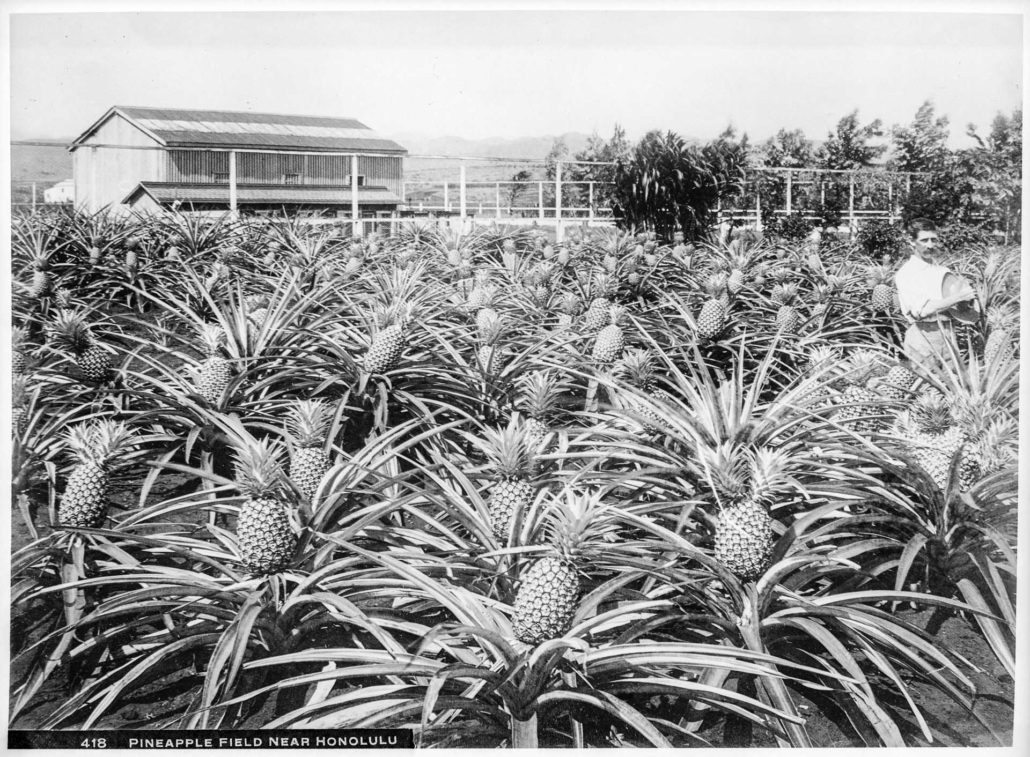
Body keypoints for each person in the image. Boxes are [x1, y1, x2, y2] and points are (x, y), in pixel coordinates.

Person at [893, 218, 979, 371]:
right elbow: (924, 310)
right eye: (924, 240)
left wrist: (967, 299)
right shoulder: (906, 273)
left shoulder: (940, 270)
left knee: (954, 388)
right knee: (927, 388)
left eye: (934, 239)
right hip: (923, 336)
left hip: (948, 333)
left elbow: (957, 307)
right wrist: (959, 297)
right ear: (912, 242)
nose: (930, 245)